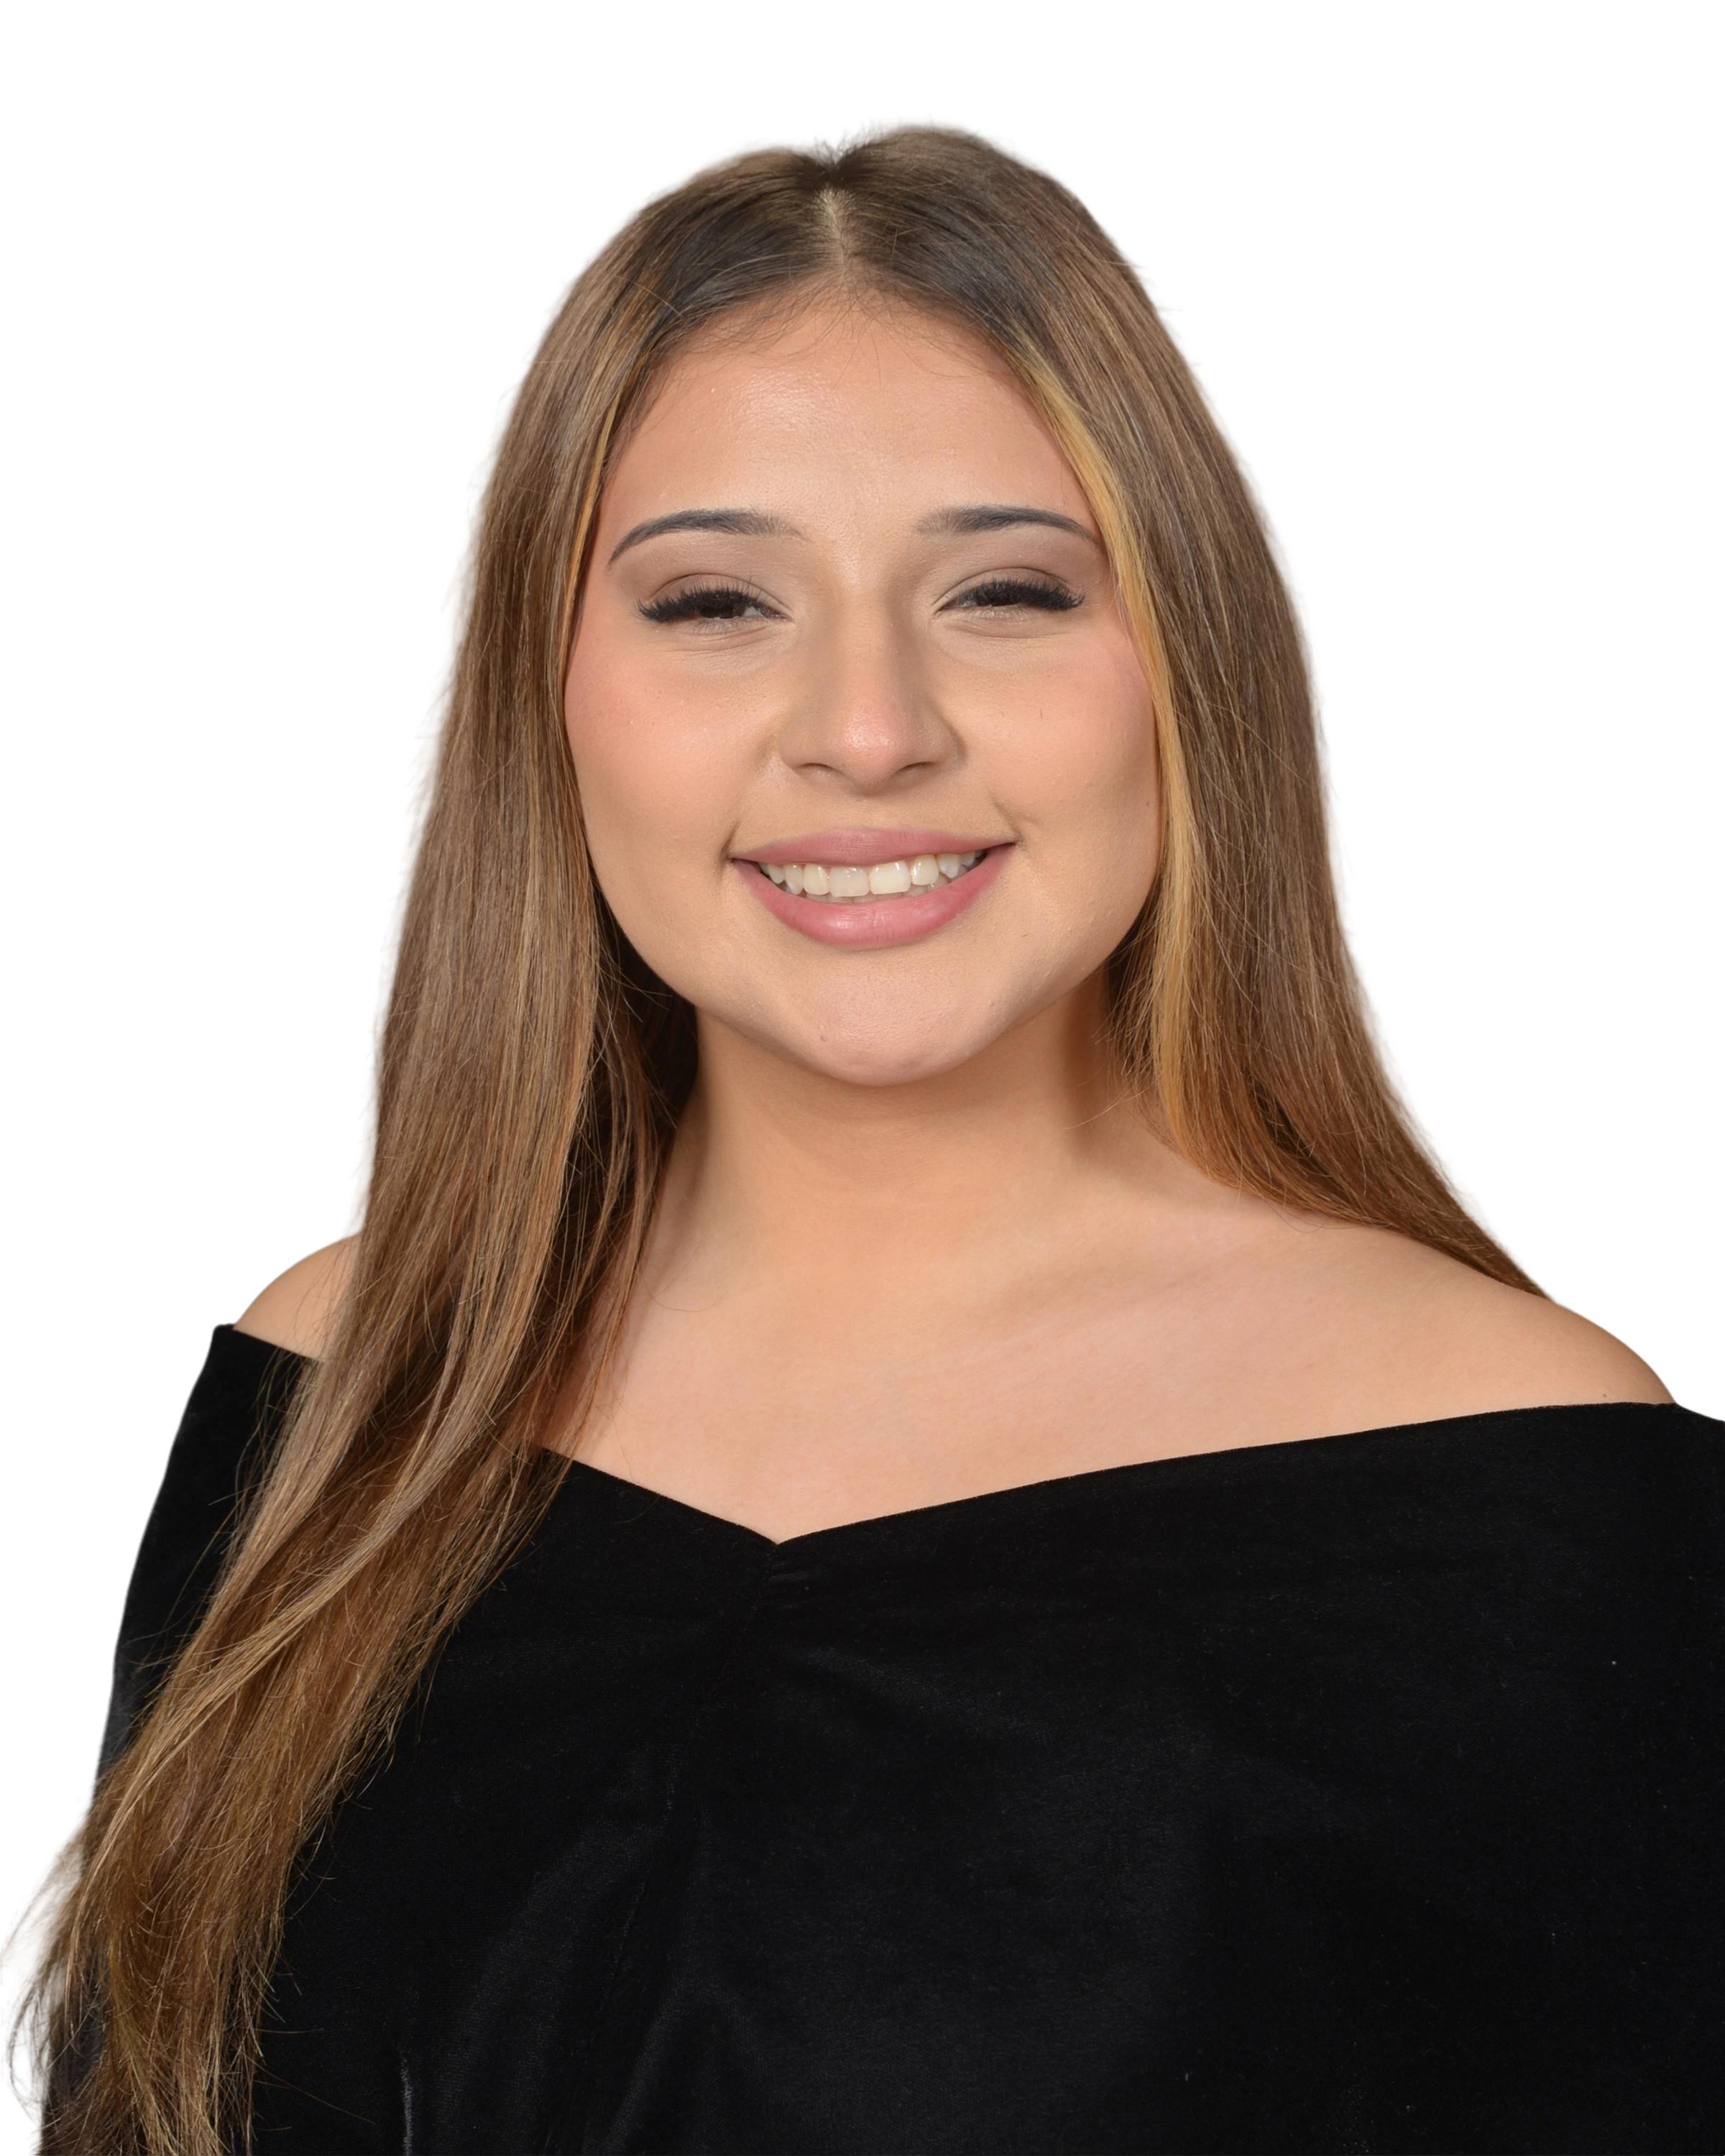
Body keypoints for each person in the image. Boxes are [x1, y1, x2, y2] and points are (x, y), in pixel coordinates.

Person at [3, 115, 1716, 2155]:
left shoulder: (1529, 1489)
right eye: (717, 601)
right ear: (548, 695)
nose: (870, 729)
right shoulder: (345, 1373)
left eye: (1006, 590)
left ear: (1190, 669)